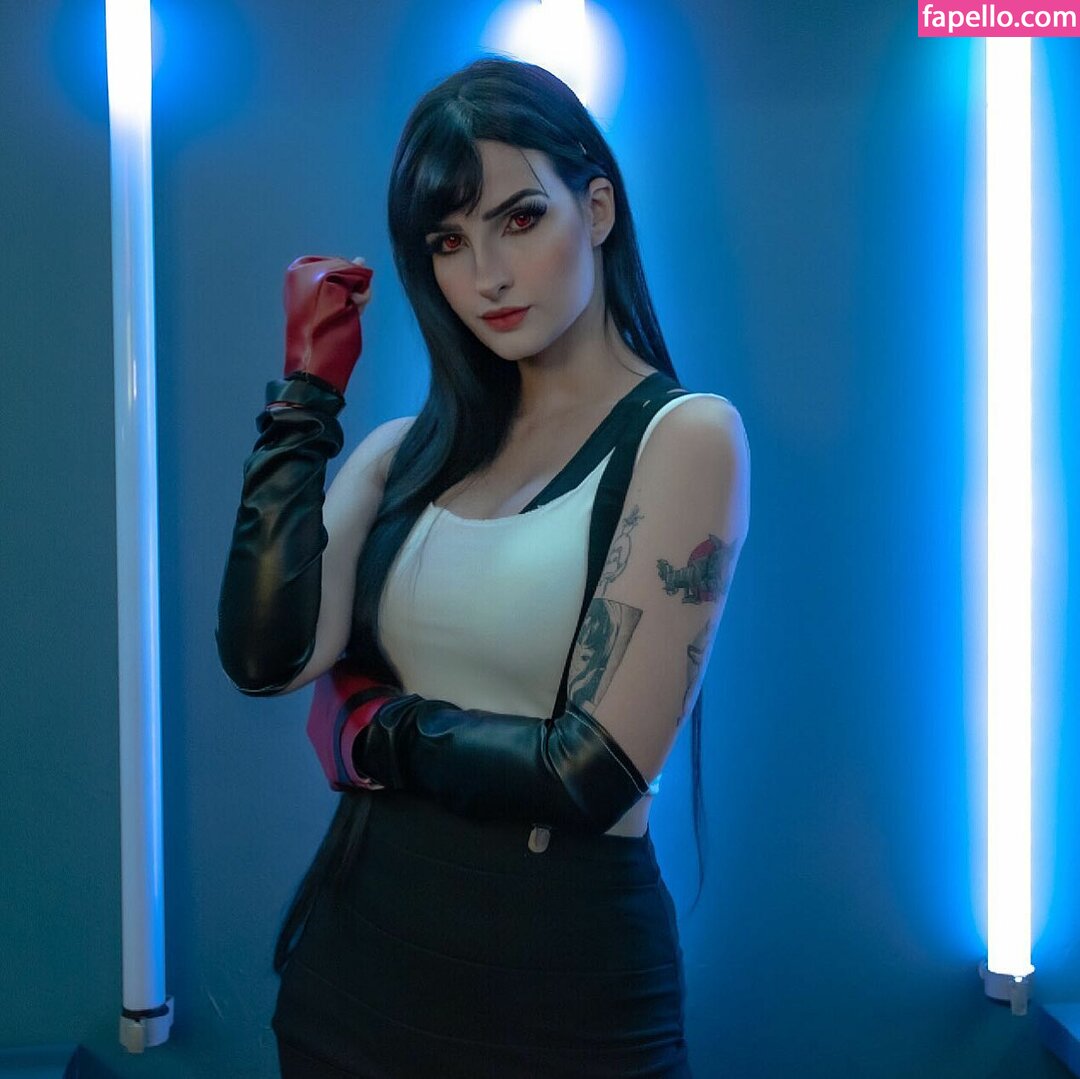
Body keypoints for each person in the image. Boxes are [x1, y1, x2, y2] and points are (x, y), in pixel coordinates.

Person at [217, 55, 749, 1079]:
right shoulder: (402, 454)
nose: (487, 276)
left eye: (520, 218)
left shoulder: (685, 438)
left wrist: (381, 729)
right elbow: (264, 655)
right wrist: (303, 404)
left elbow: (589, 772)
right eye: (449, 242)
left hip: (558, 992)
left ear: (597, 209)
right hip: (354, 972)